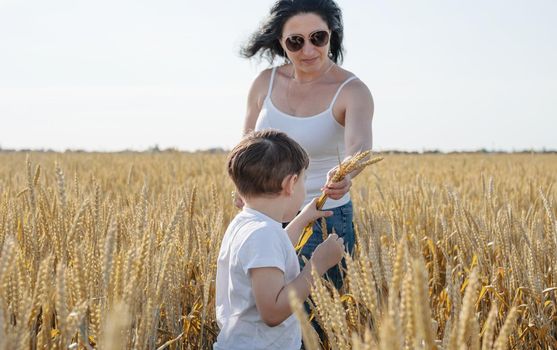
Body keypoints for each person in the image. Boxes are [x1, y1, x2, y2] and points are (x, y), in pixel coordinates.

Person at [240, 0, 374, 289]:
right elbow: (245, 146)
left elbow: (360, 146)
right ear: (281, 43)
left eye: (318, 38)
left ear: (331, 34)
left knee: (314, 320)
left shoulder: (352, 90)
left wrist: (346, 174)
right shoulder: (264, 83)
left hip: (325, 215)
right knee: (266, 313)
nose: (309, 50)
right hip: (264, 216)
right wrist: (242, 188)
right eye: (296, 42)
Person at [214, 130, 345, 350]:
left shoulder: (248, 223)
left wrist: (302, 219)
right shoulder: (262, 235)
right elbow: (273, 312)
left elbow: (273, 253)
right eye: (304, 180)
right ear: (291, 184)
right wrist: (316, 265)